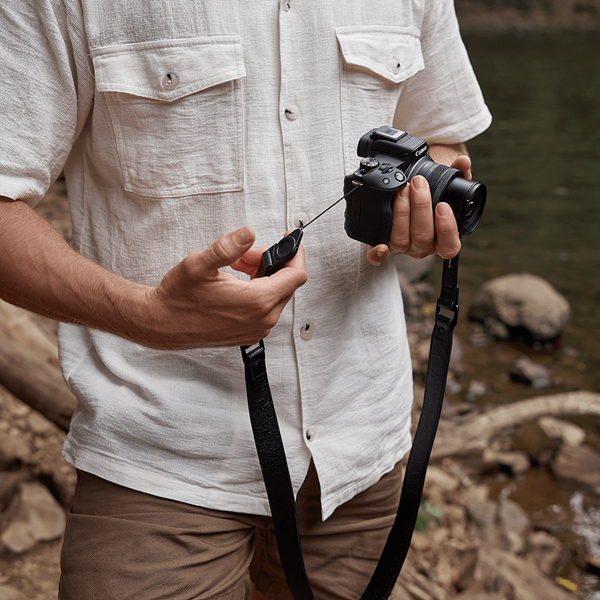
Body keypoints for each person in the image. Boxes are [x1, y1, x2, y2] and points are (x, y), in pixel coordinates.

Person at [0, 1, 491, 598]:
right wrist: (149, 317)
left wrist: (422, 201)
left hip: (363, 456)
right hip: (160, 458)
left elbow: (440, 133)